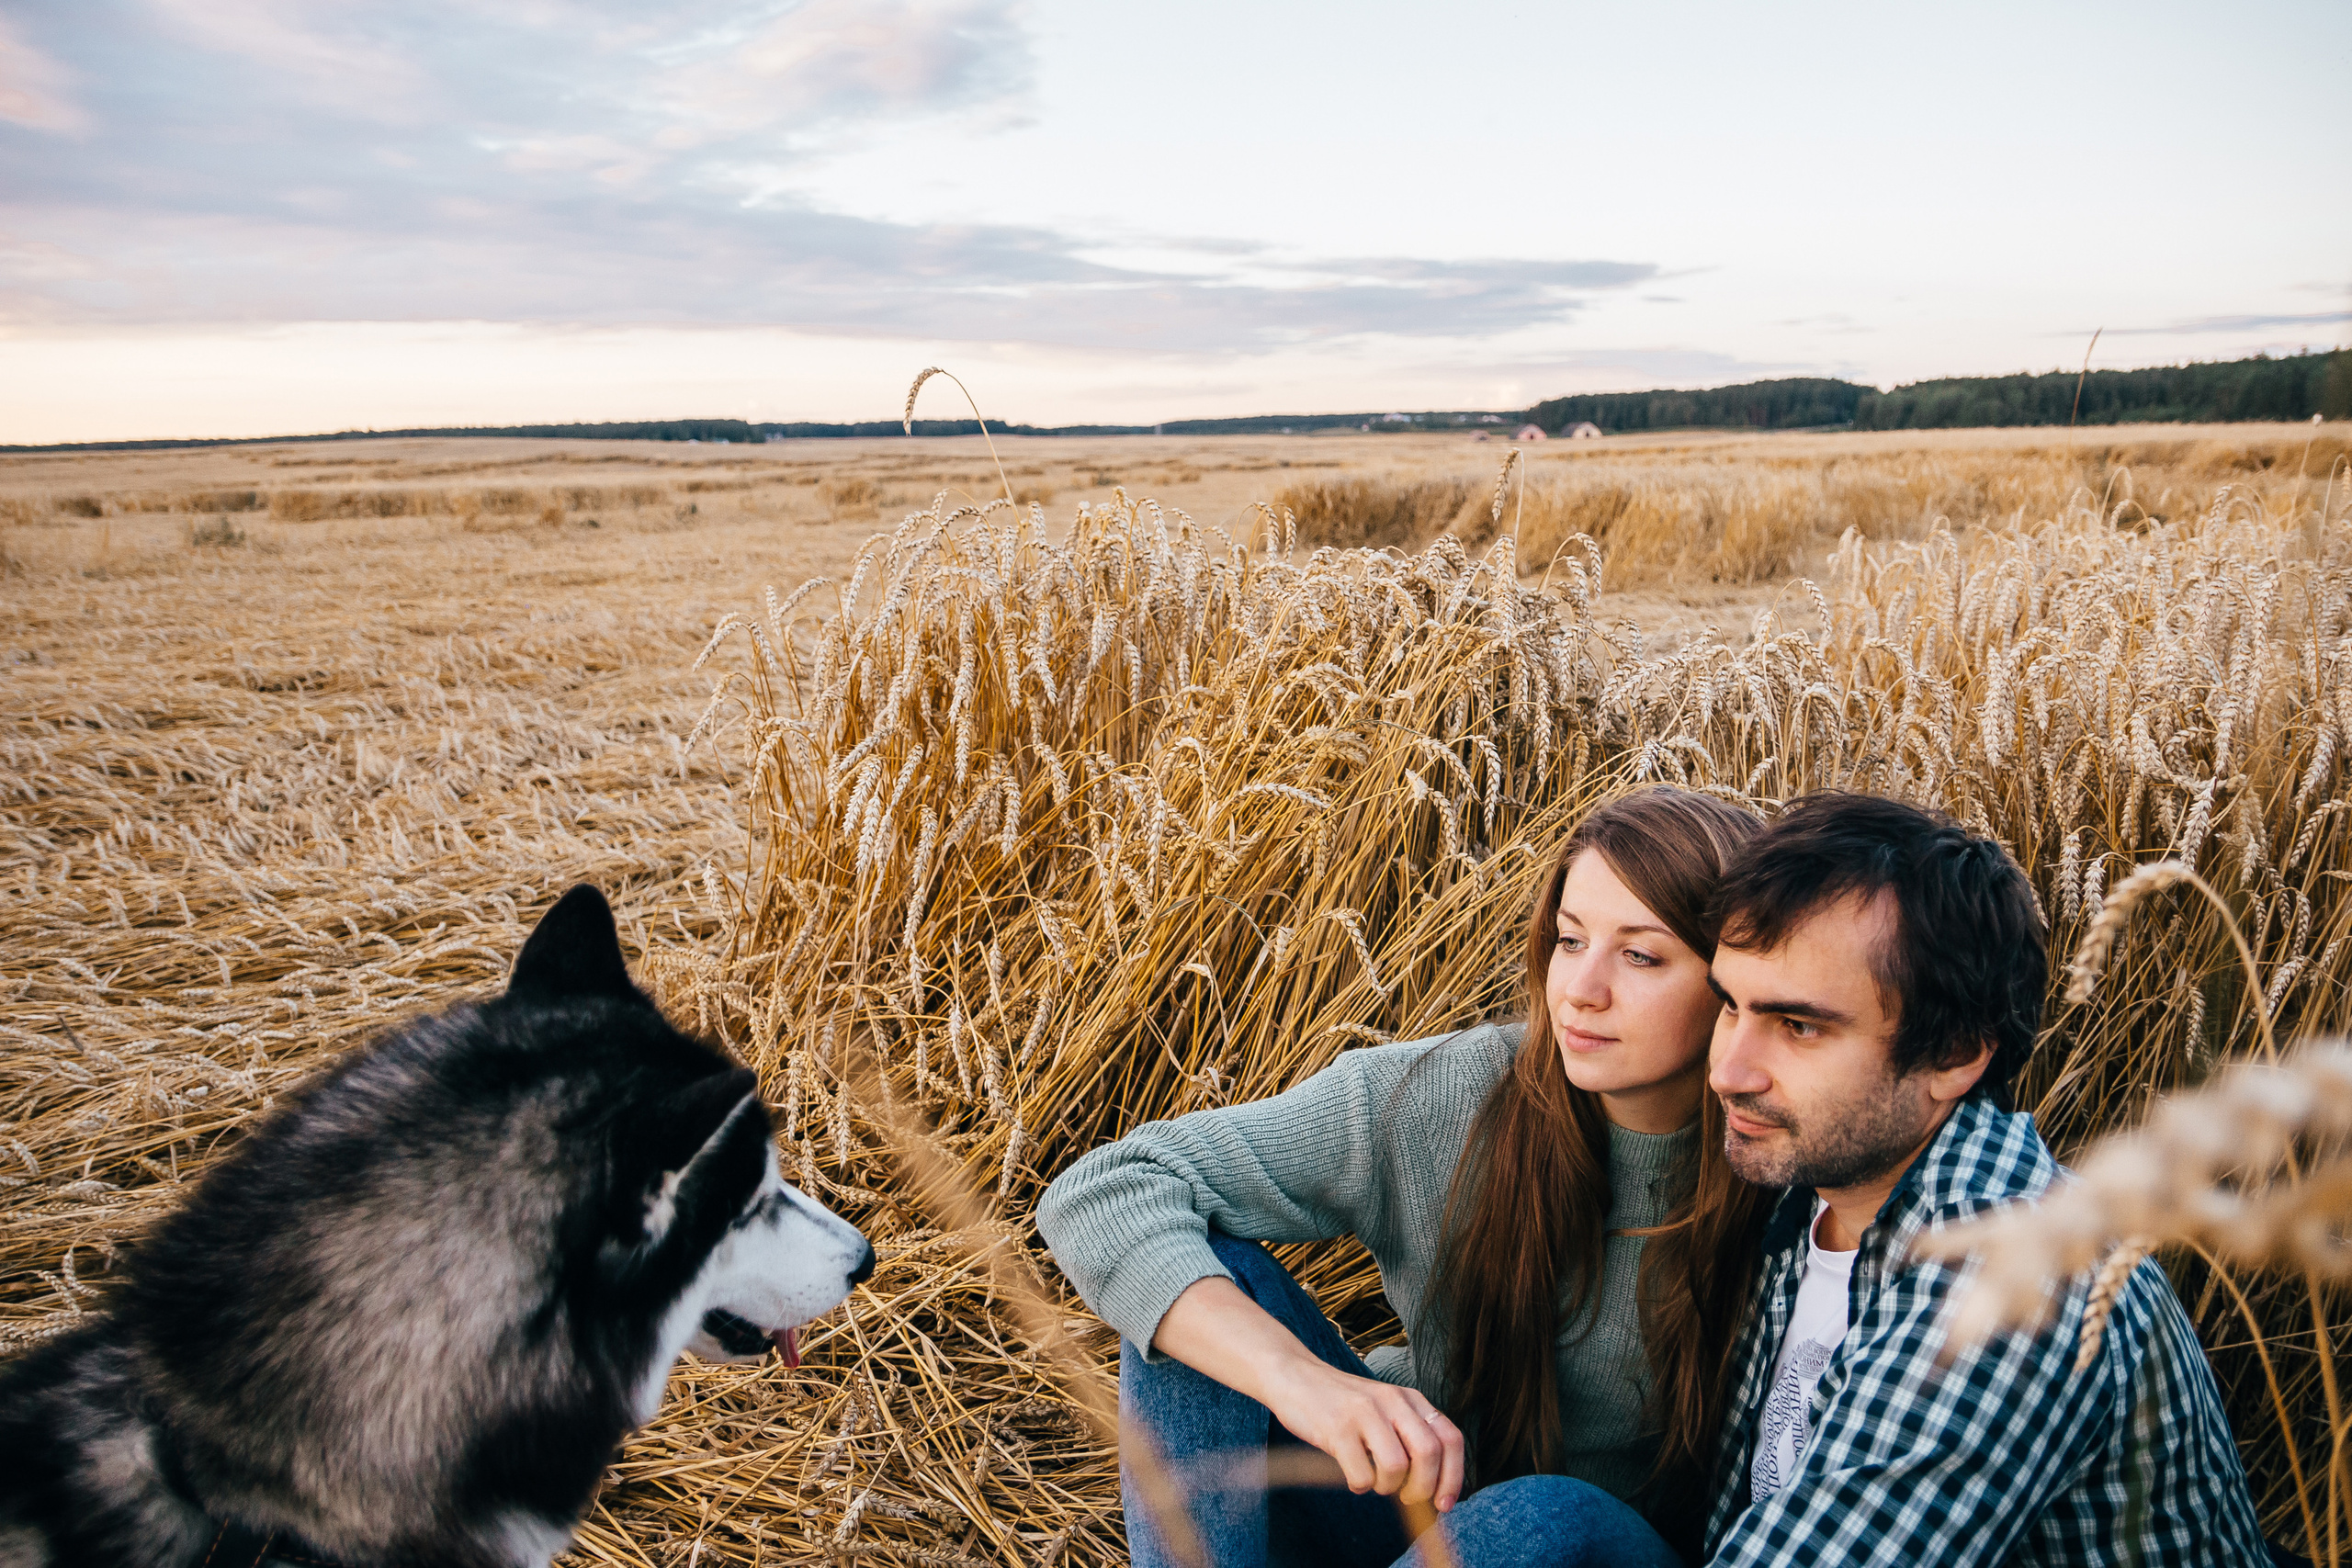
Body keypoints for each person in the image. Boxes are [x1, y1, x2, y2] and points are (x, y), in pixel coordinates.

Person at [1036, 787, 1772, 1568]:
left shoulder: (1785, 1164)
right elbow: (1108, 1186)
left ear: (1734, 986)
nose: (1581, 990)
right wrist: (1301, 1381)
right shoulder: (1447, 1096)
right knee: (1212, 1281)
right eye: (1568, 939)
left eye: (1639, 955)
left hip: (1604, 1550)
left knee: (1543, 1513)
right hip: (1417, 1515)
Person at [1697, 792, 2267, 1564]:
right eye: (1729, 1005)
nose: (1727, 1070)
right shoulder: (1819, 1186)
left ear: (1957, 1054)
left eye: (1799, 1026)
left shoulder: (2012, 1285)